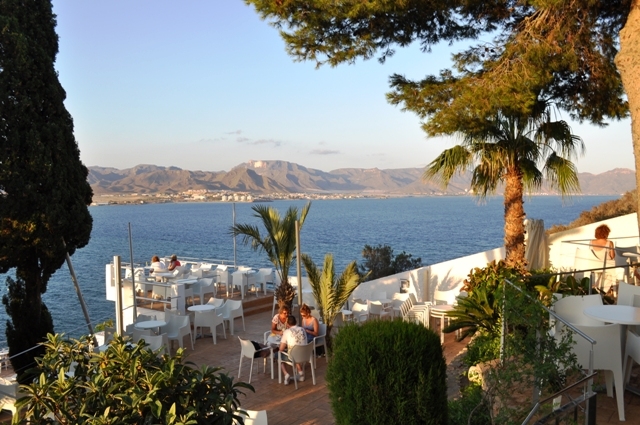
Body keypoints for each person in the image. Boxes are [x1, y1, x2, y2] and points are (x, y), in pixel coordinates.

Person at [278, 315, 307, 385]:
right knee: (296, 350)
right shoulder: (302, 329)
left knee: (279, 355)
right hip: (306, 354)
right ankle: (300, 371)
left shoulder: (287, 332)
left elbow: (281, 349)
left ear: (287, 324)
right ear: (296, 322)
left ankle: (286, 374)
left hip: (294, 357)